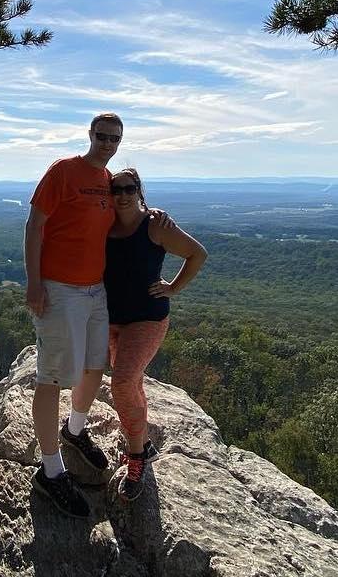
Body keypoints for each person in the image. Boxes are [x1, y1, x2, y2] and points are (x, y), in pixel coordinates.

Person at [22, 112, 124, 517]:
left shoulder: (107, 179)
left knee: (95, 366)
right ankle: (50, 470)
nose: (107, 143)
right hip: (60, 290)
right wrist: (34, 284)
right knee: (51, 378)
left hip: (96, 290)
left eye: (114, 138)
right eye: (102, 136)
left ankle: (75, 430)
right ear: (90, 135)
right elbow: (34, 226)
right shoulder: (64, 171)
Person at [103, 166, 208, 500]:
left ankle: (136, 458)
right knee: (129, 382)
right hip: (110, 319)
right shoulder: (103, 224)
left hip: (146, 318)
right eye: (115, 189)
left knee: (120, 383)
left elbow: (197, 253)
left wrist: (173, 288)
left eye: (128, 188)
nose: (121, 195)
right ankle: (143, 443)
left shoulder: (155, 225)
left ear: (139, 190)